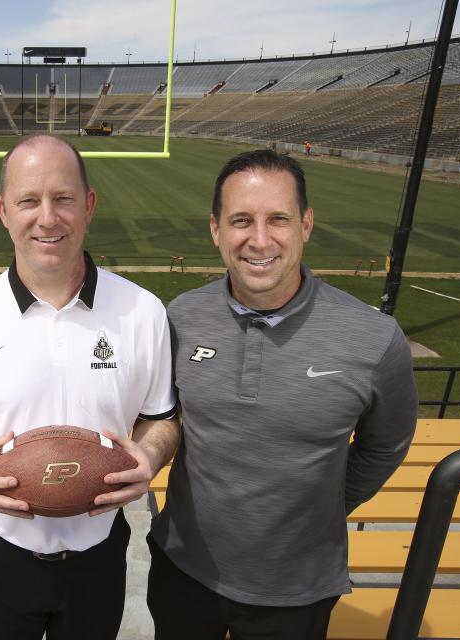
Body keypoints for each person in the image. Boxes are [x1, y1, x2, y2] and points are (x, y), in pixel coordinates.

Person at [0, 134, 180, 640]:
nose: (47, 217)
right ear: (2, 210)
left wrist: (149, 456)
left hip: (99, 551)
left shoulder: (143, 311)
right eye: (28, 201)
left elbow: (161, 418)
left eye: (63, 199)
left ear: (89, 205)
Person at [148, 149, 418, 639]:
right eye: (240, 220)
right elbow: (163, 416)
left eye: (278, 219)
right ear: (215, 229)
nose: (259, 239)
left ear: (306, 224)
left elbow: (386, 445)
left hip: (298, 589)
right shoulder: (180, 318)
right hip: (183, 571)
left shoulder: (374, 338)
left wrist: (321, 507)